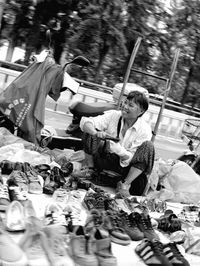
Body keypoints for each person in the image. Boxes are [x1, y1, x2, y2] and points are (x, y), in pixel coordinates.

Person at [79, 90, 155, 197]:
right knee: (90, 129)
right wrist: (95, 132)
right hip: (106, 160)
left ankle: (124, 184)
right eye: (125, 103)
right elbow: (85, 122)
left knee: (149, 147)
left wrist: (118, 150)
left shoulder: (145, 129)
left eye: (130, 105)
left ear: (141, 111)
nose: (125, 107)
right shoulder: (114, 115)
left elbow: (132, 159)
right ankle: (90, 170)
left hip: (126, 169)